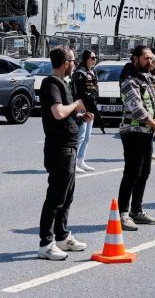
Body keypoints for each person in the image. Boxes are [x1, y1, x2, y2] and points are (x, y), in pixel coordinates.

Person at [37, 46, 93, 261]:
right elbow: (58, 112)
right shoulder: (51, 84)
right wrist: (76, 105)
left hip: (68, 146)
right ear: (65, 62)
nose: (75, 62)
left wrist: (80, 117)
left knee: (67, 196)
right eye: (72, 59)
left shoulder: (63, 84)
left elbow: (65, 116)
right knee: (55, 197)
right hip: (58, 149)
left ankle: (61, 236)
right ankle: (45, 244)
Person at [117, 45, 155, 230]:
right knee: (131, 173)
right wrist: (154, 123)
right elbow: (137, 108)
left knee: (144, 172)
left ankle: (137, 210)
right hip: (133, 131)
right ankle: (122, 213)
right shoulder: (129, 80)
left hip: (147, 132)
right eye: (146, 58)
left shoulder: (147, 78)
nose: (150, 62)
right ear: (135, 59)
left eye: (152, 59)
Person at [71, 50, 102, 173]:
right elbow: (77, 93)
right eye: (92, 58)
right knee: (80, 135)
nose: (95, 60)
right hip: (82, 108)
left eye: (95, 57)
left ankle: (80, 160)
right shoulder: (79, 73)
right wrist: (82, 109)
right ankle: (72, 163)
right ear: (86, 59)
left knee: (87, 137)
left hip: (91, 107)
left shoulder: (92, 72)